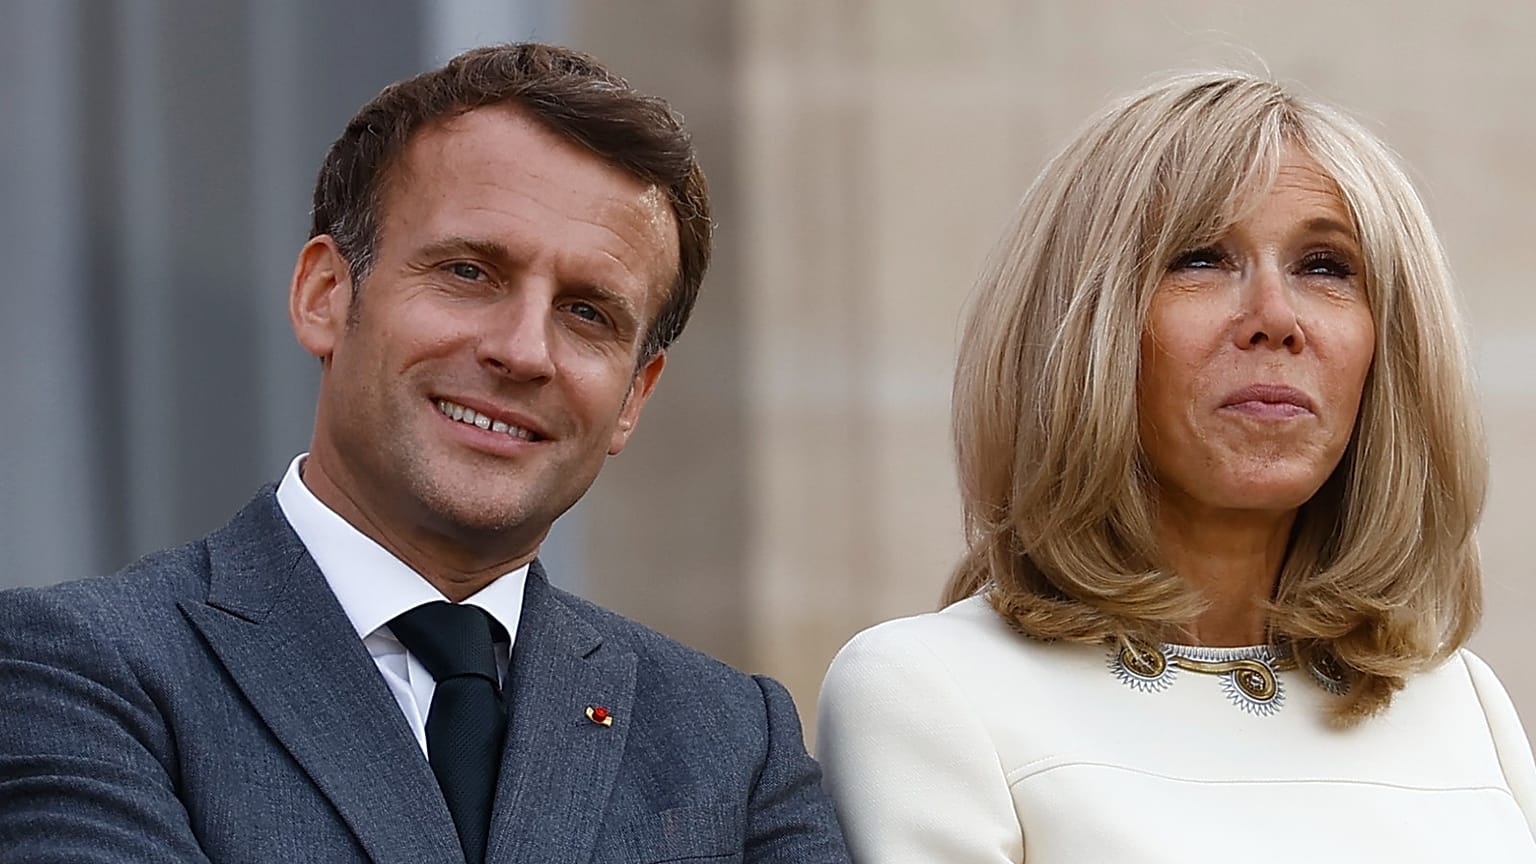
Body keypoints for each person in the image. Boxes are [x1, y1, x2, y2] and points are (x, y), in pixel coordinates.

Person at [0, 43, 849, 863]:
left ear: (633, 397)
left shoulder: (732, 744)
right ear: (325, 296)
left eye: (587, 313)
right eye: (469, 272)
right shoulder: (74, 672)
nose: (523, 351)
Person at [817, 70, 1536, 861]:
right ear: (1082, 328)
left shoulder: (1463, 701)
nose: (1275, 317)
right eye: (1199, 258)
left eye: (1326, 266)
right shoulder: (930, 690)